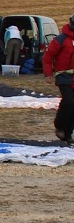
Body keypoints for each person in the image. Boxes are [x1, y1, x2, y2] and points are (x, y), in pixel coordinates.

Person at [42, 14, 74, 145]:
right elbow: (48, 57)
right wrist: (48, 74)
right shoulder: (61, 40)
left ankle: (67, 134)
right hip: (63, 76)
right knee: (69, 101)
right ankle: (59, 125)